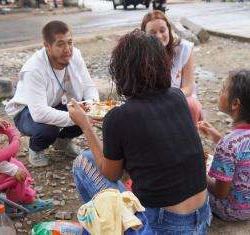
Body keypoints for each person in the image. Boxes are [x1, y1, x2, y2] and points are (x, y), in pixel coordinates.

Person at [70, 30, 211, 234]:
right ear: (163, 65)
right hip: (202, 218)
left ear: (121, 71)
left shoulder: (118, 118)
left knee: (84, 161)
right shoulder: (177, 97)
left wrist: (85, 126)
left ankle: (101, 225)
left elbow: (111, 173)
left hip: (164, 226)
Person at [5, 21, 99, 167]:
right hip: (27, 111)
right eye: (60, 44)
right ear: (47, 46)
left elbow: (89, 87)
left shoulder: (75, 55)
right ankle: (36, 149)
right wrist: (79, 118)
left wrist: (93, 109)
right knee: (48, 129)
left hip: (55, 103)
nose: (67, 49)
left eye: (70, 42)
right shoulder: (34, 69)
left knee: (86, 108)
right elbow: (39, 113)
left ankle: (62, 142)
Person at [0, 69, 53, 212]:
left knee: (18, 166)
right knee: (18, 174)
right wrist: (12, 170)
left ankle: (28, 197)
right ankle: (15, 203)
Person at [199, 70, 250, 221]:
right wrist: (216, 136)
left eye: (222, 89)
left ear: (235, 104)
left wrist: (199, 170)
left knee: (193, 177)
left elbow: (220, 193)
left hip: (232, 210)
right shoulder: (236, 141)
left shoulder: (229, 145)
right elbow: (241, 153)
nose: (219, 92)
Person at [141, 10, 202, 124]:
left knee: (192, 105)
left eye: (162, 30)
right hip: (153, 102)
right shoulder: (140, 55)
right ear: (144, 35)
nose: (159, 36)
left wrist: (166, 100)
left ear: (169, 29)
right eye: (152, 33)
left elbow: (188, 88)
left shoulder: (183, 49)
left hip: (179, 99)